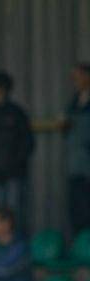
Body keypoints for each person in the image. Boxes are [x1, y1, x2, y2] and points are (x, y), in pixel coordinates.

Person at [0, 72, 34, 232]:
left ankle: (17, 246)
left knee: (15, 212)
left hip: (14, 174)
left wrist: (16, 163)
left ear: (2, 89)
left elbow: (27, 143)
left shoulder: (16, 113)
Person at [64, 63, 90, 234]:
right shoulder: (74, 100)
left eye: (78, 76)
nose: (75, 80)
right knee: (77, 203)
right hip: (76, 161)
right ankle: (81, 241)